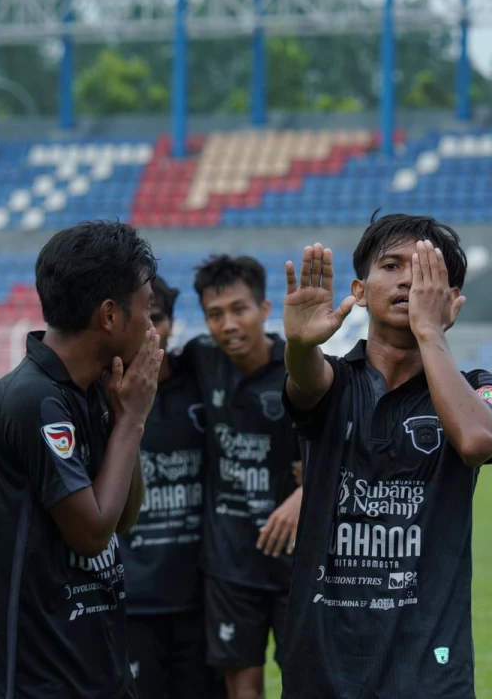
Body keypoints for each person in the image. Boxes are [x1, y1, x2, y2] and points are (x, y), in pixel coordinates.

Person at [279, 214, 492, 699]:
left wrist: (430, 333)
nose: (408, 279)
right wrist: (299, 346)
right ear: (360, 291)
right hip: (324, 653)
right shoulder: (335, 381)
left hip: (428, 660)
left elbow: (475, 442)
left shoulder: (478, 389)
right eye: (391, 265)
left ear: (453, 299)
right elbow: (305, 381)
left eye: (427, 270)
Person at [0, 221, 162, 699]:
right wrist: (132, 420)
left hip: (91, 665)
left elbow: (121, 517)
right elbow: (91, 534)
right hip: (33, 677)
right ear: (110, 315)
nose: (152, 329)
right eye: (147, 310)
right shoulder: (34, 399)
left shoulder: (91, 390)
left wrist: (122, 418)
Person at [178, 255, 303, 699]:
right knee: (240, 688)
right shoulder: (201, 359)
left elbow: (343, 448)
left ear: (265, 310)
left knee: (307, 683)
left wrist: (305, 493)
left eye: (239, 309)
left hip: (297, 566)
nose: (228, 324)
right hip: (230, 565)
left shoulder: (303, 368)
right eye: (215, 314)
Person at [120, 275, 223, 698]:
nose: (149, 330)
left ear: (172, 323)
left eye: (157, 318)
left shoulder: (202, 378)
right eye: (139, 318)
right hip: (133, 600)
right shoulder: (106, 393)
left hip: (202, 596)